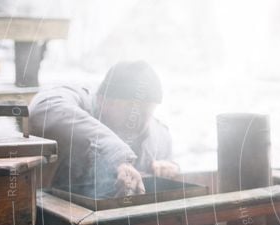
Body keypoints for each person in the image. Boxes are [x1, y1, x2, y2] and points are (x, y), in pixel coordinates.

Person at [30, 60, 179, 197]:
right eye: (129, 111)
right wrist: (118, 156)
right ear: (102, 100)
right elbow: (42, 109)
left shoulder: (158, 135)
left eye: (146, 113)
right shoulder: (80, 102)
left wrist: (169, 168)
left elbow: (168, 165)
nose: (136, 120)